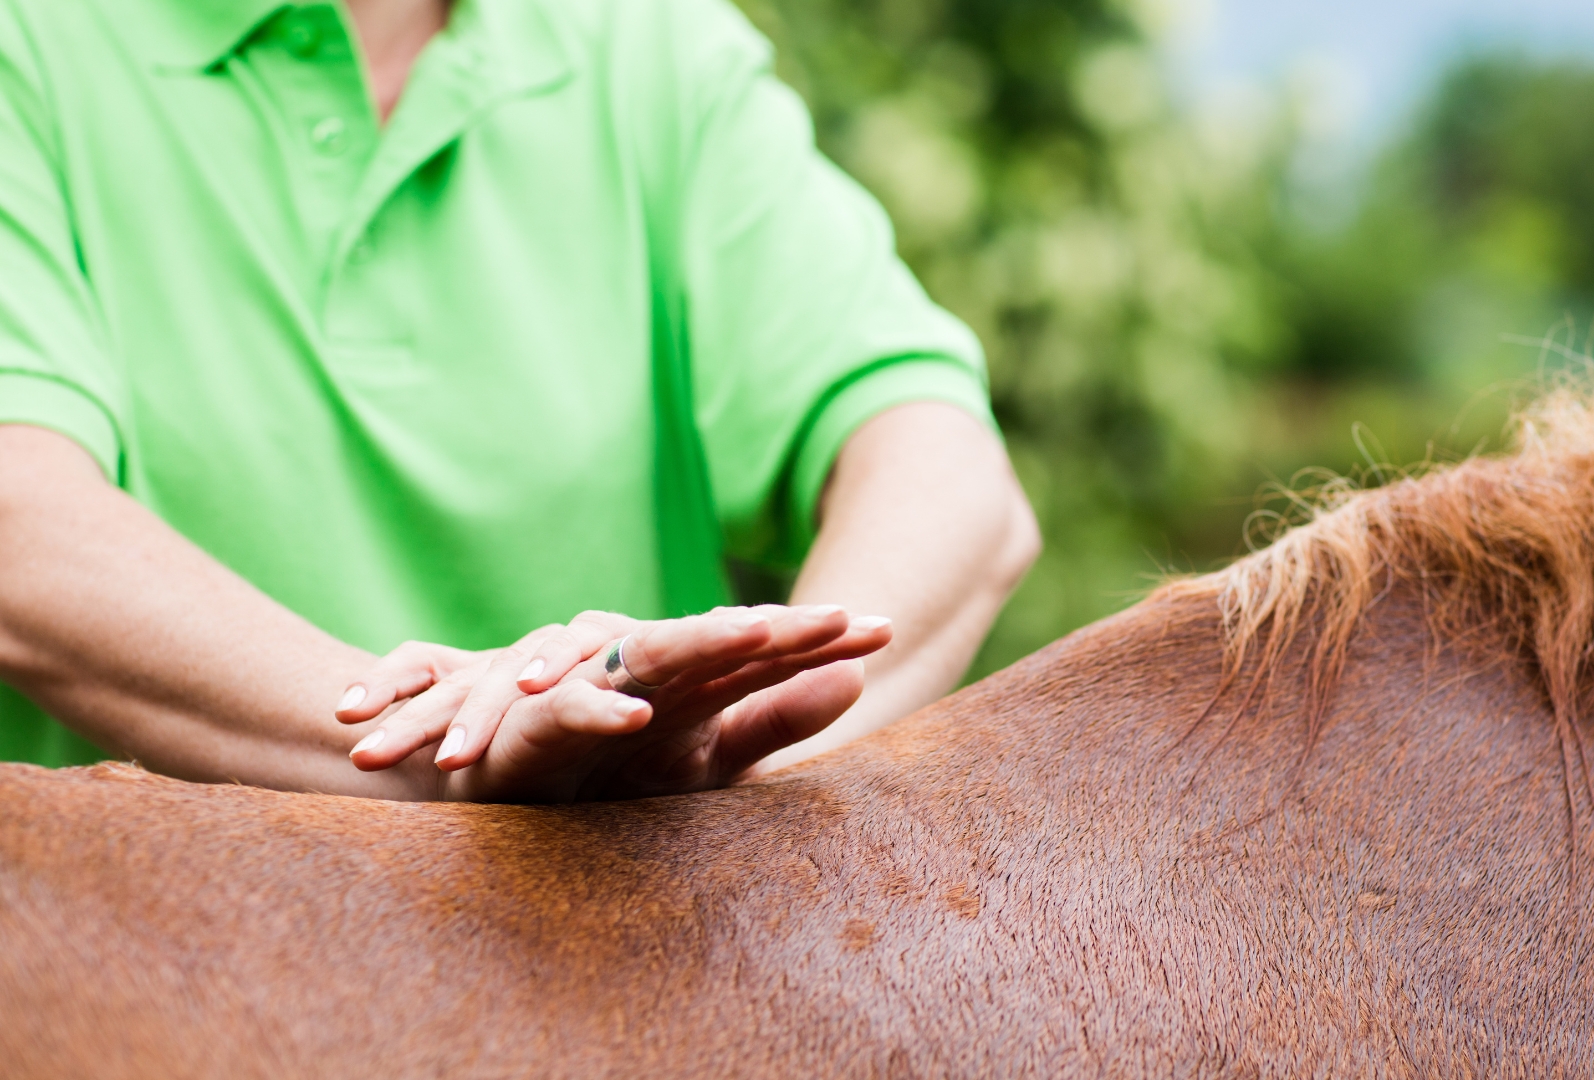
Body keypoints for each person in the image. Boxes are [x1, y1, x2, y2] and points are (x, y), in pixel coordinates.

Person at [0, 0, 1039, 801]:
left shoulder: (645, 46)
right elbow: (19, 520)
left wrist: (727, 739)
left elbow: (944, 471)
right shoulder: (34, 43)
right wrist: (449, 748)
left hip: (616, 982)